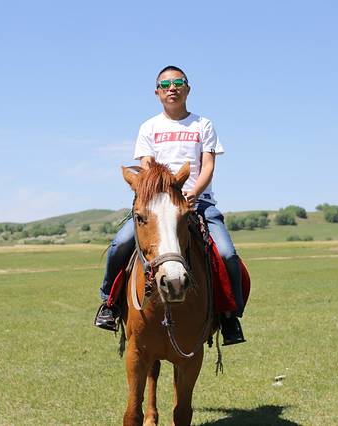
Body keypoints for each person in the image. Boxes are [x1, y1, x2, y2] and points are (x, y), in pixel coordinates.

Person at [94, 65, 245, 345]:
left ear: (188, 89)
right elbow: (146, 167)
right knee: (119, 244)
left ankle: (229, 317)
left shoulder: (203, 125)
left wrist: (194, 193)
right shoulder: (149, 127)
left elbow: (208, 166)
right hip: (157, 205)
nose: (172, 88)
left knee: (227, 254)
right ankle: (109, 304)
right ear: (157, 93)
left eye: (178, 82)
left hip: (197, 203)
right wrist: (157, 195)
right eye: (165, 85)